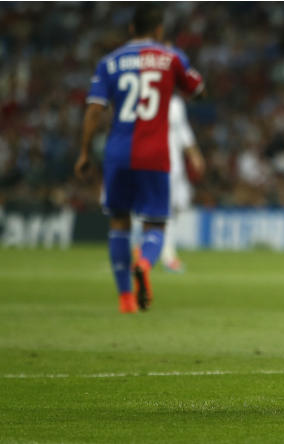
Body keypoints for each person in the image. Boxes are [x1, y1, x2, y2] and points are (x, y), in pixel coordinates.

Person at [74, 5, 204, 313]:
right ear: (159, 30)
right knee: (155, 223)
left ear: (131, 29)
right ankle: (144, 264)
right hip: (155, 155)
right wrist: (177, 67)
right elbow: (197, 89)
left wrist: (84, 152)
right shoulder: (171, 58)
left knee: (119, 222)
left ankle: (125, 299)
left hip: (117, 153)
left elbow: (94, 110)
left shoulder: (110, 62)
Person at [160, 94, 205, 272]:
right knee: (166, 210)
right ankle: (167, 255)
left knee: (179, 205)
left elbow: (183, 131)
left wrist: (194, 154)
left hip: (176, 167)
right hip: (159, 164)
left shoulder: (176, 103)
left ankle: (152, 247)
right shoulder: (152, 99)